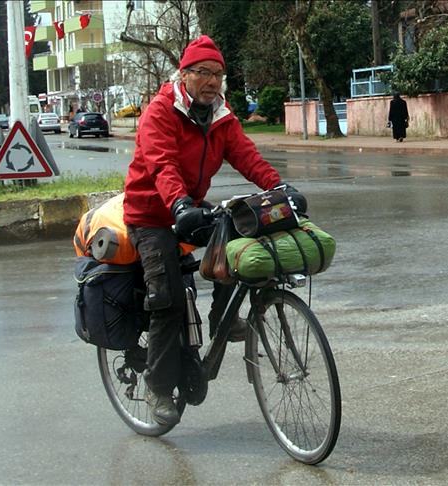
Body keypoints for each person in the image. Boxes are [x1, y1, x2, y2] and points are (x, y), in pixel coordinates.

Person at [122, 35, 282, 426]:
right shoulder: (161, 111)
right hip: (150, 214)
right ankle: (158, 387)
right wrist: (178, 204)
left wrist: (278, 187)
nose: (212, 82)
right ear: (185, 74)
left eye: (218, 75)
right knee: (168, 298)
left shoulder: (221, 116)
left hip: (187, 207)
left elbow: (246, 156)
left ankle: (221, 318)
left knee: (238, 237)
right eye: (204, 73)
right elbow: (162, 164)